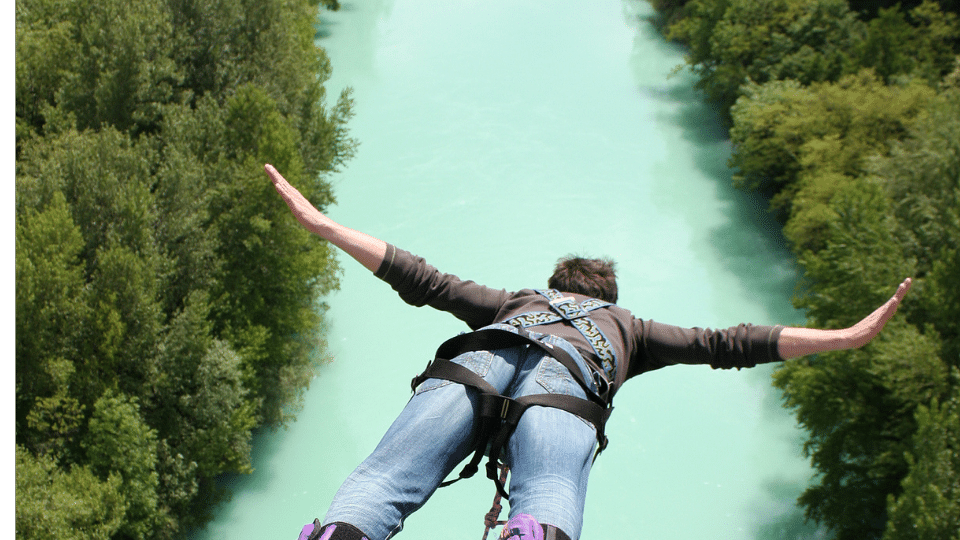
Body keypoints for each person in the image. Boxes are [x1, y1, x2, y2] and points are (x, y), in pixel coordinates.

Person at [264, 164, 913, 540]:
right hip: (564, 391)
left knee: (380, 485)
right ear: (608, 295)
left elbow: (423, 279)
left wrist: (325, 226)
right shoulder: (629, 327)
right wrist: (844, 337)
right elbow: (727, 345)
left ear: (556, 286)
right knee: (544, 491)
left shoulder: (514, 299)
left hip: (474, 364)